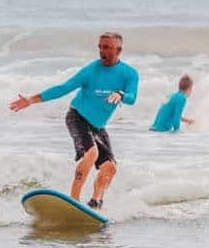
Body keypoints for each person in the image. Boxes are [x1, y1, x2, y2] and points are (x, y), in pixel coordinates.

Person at [9, 32, 139, 209]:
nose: (102, 51)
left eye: (107, 47)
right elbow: (64, 88)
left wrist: (121, 94)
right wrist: (32, 100)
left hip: (98, 126)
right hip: (77, 117)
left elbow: (132, 98)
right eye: (100, 47)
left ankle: (95, 203)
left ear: (119, 49)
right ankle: (74, 201)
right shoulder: (91, 70)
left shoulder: (129, 74)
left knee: (110, 168)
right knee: (91, 154)